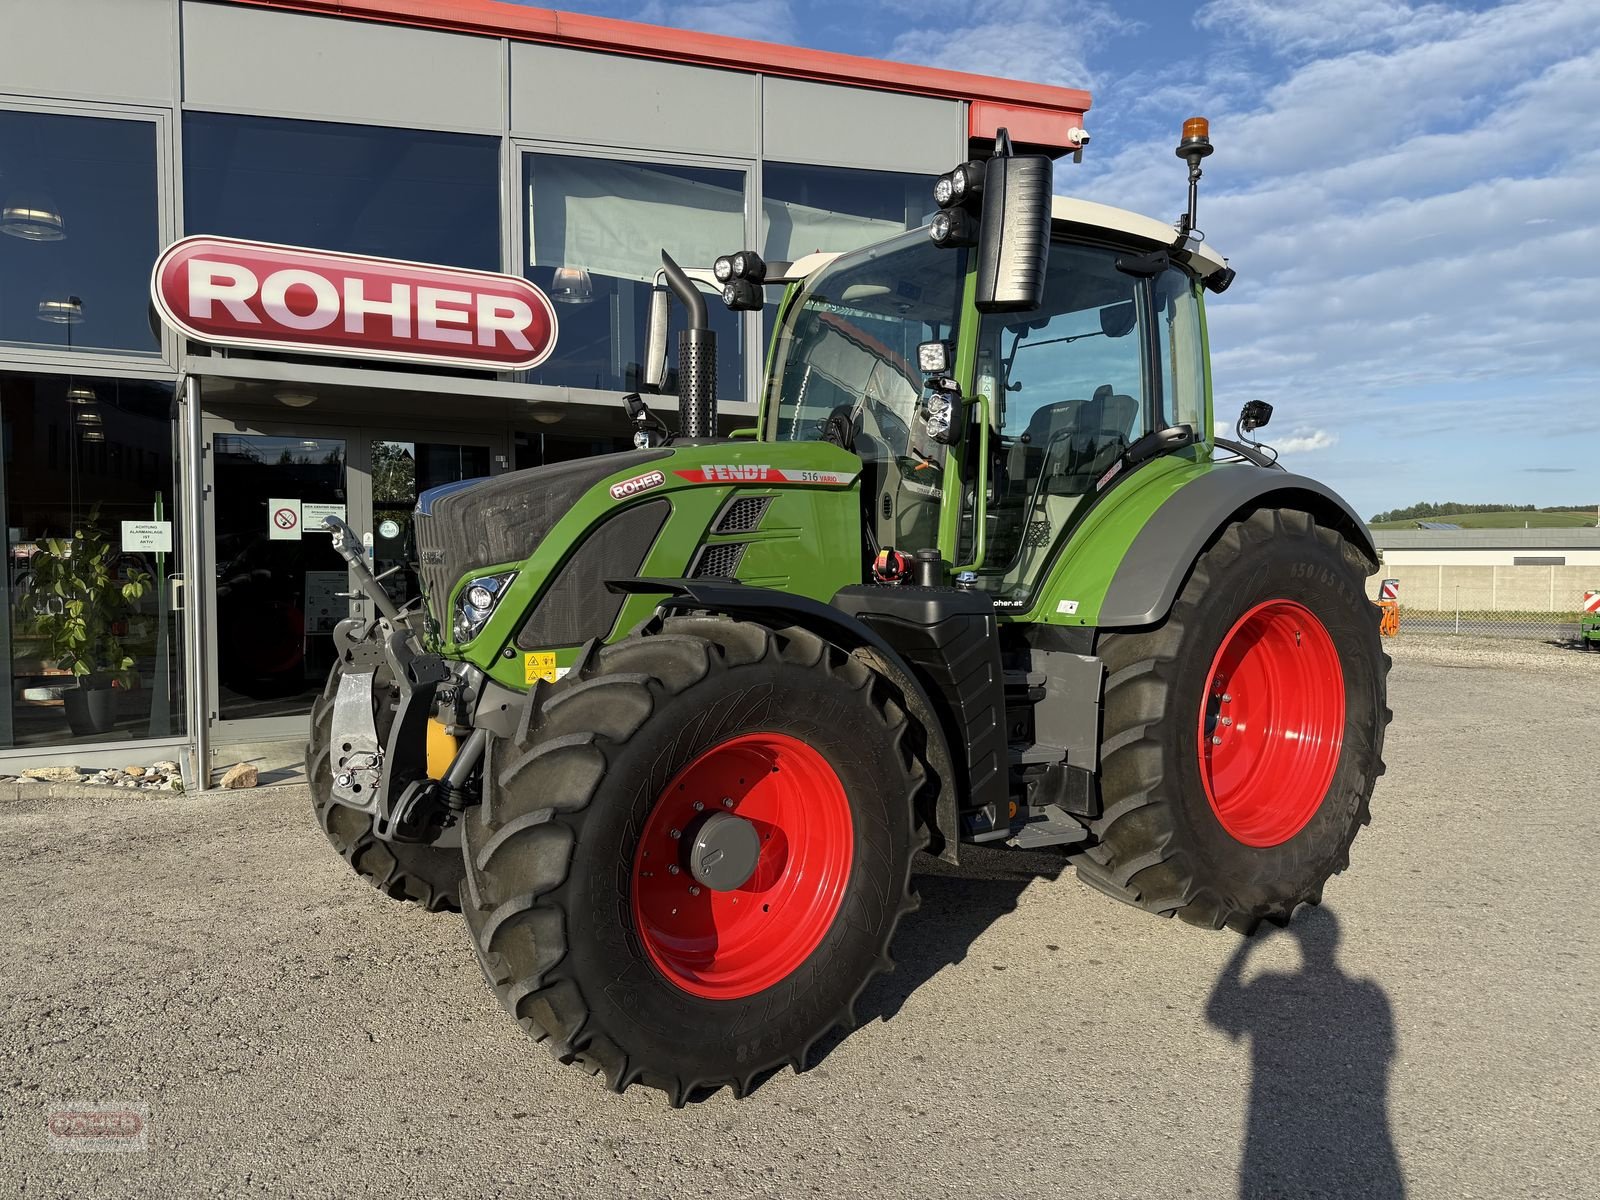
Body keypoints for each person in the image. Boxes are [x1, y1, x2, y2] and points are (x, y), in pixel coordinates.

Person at [1206, 906, 1404, 1198]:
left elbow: (1217, 1013)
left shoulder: (1268, 985)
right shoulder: (1369, 996)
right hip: (1367, 1136)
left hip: (1271, 1132)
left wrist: (1245, 950)